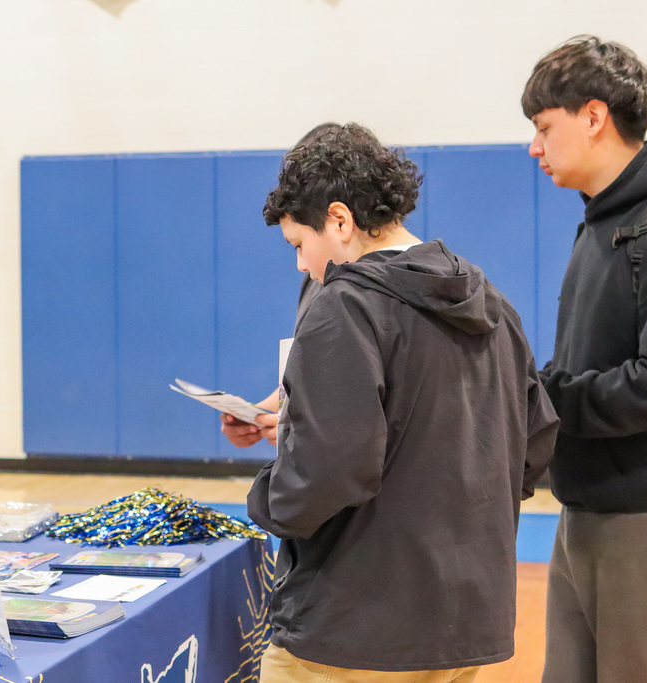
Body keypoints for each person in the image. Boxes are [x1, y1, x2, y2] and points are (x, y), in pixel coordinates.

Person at [246, 123, 558, 682]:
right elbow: (533, 442)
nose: (301, 266)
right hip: (463, 622)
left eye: (300, 244)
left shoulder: (344, 306)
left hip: (353, 630)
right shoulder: (490, 300)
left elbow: (333, 465)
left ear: (338, 220)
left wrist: (267, 502)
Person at [523, 35, 647, 683]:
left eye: (545, 127)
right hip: (581, 514)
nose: (534, 146)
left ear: (593, 117)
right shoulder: (600, 223)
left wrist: (549, 399)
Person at [220, 123, 335, 449]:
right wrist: (258, 416)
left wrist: (297, 427)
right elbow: (301, 379)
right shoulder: (314, 278)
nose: (300, 262)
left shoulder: (375, 298)